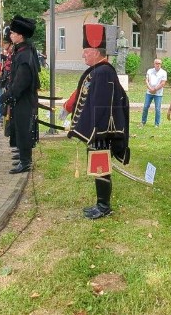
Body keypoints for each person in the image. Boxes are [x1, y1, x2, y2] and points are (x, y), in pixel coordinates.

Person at [66, 24, 130, 219]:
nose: (83, 56)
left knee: (101, 167)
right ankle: (101, 203)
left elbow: (101, 105)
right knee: (98, 167)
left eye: (86, 52)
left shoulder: (102, 72)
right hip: (97, 131)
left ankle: (104, 206)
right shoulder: (99, 71)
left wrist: (92, 131)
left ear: (95, 51)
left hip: (100, 132)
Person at [0, 17, 41, 174]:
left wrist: (9, 95)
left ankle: (25, 161)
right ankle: (23, 156)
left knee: (24, 128)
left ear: (20, 35)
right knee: (19, 126)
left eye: (13, 33)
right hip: (21, 98)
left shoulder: (25, 55)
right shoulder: (22, 51)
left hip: (24, 98)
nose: (11, 35)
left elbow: (22, 80)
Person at [140, 58, 167, 127]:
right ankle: (143, 121)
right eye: (156, 63)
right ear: (154, 64)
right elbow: (146, 80)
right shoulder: (149, 71)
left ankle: (157, 124)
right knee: (145, 107)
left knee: (157, 109)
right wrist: (150, 89)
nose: (158, 65)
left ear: (161, 64)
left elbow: (163, 83)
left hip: (158, 94)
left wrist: (154, 89)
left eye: (159, 63)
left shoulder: (164, 72)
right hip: (149, 93)